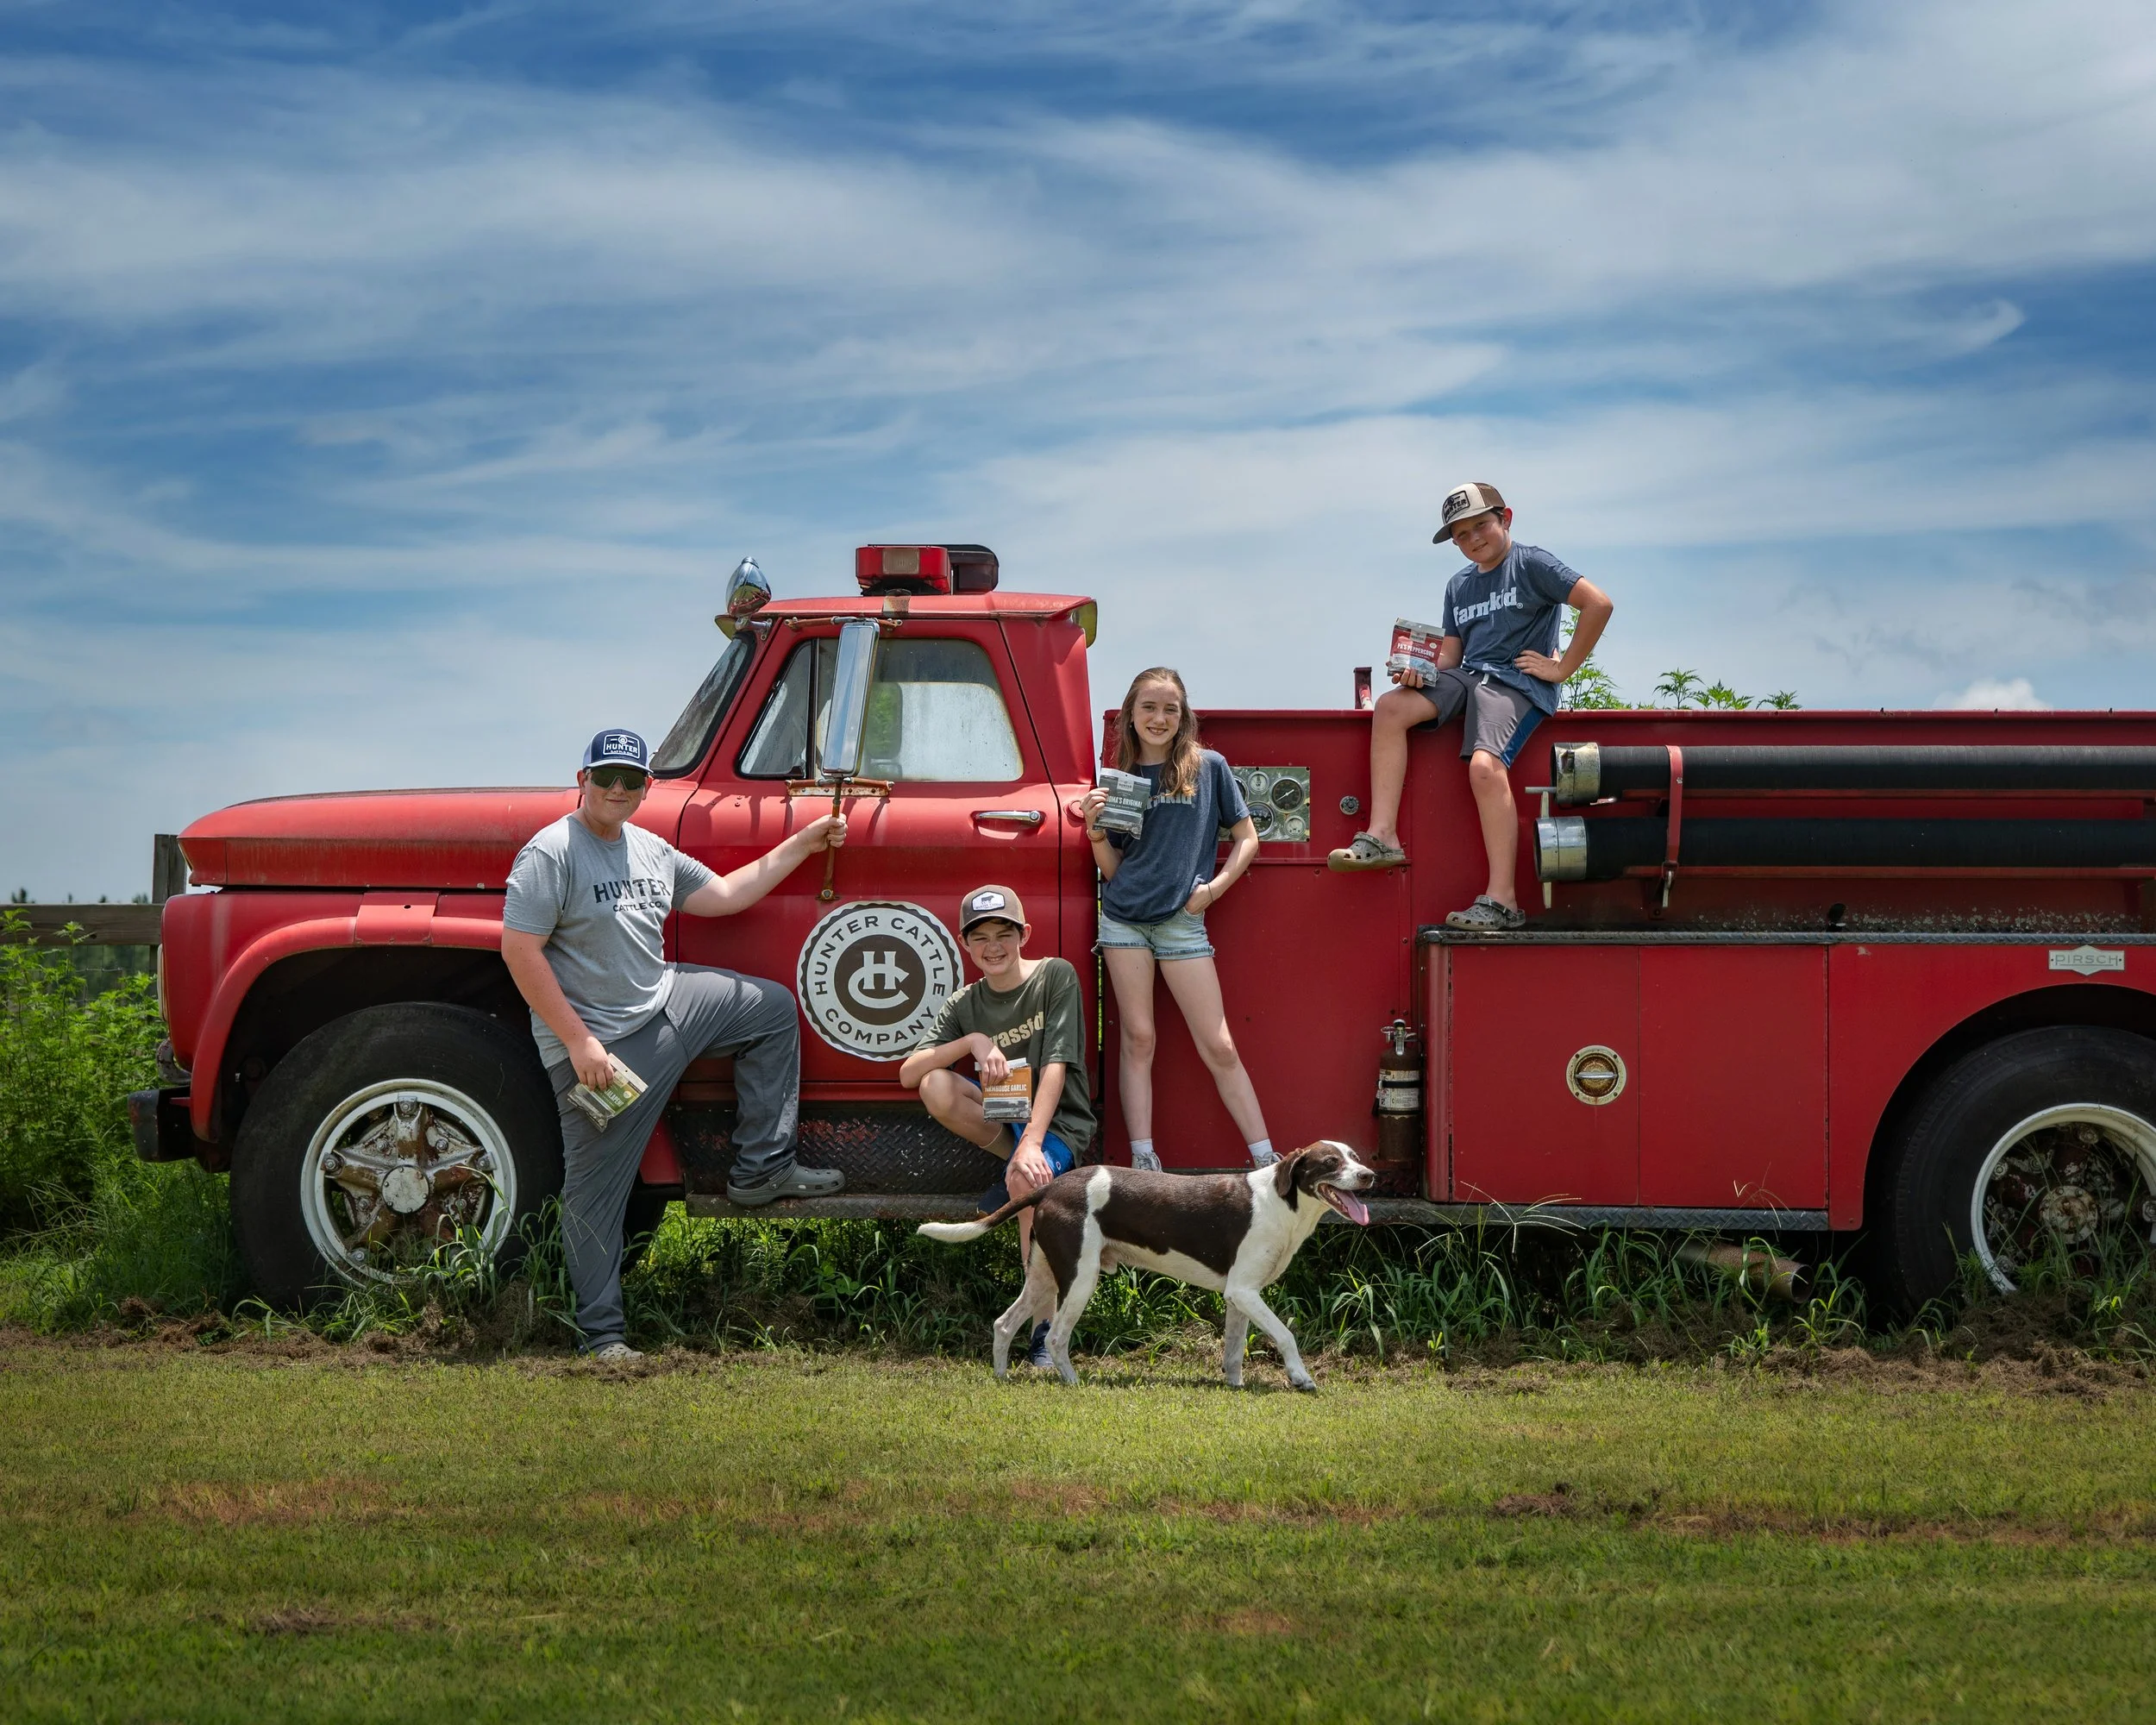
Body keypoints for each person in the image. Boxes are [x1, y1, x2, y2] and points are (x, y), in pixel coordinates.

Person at [500, 728, 849, 1362]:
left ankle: (760, 1170)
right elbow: (519, 951)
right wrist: (579, 1044)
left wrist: (805, 839)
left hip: (666, 1004)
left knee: (771, 1009)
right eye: (604, 777)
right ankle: (602, 1336)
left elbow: (725, 895)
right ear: (581, 781)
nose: (616, 789)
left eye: (630, 781)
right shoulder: (551, 853)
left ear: (645, 788)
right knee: (596, 1194)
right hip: (600, 1049)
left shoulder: (650, 850)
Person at [1329, 481, 1614, 929]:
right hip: (1468, 675)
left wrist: (1562, 670)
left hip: (1515, 682)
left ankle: (1503, 901)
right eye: (1461, 535)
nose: (1473, 539)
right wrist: (1417, 672)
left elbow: (1598, 604)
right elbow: (1452, 659)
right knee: (1390, 707)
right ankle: (1383, 836)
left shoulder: (1532, 563)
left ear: (1506, 519)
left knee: (1484, 767)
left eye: (1481, 525)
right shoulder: (1458, 585)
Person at [1076, 668, 1275, 1174]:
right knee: (1139, 1038)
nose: (1159, 718)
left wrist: (1210, 892)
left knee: (1220, 1044)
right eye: (1149, 707)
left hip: (1182, 923)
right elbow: (1116, 872)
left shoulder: (1208, 767)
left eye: (1170, 709)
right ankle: (1144, 1161)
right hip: (1123, 923)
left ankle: (1267, 1160)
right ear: (1130, 714)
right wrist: (1095, 832)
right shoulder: (1118, 781)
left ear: (1183, 716)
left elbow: (1247, 838)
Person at [899, 884, 1095, 1369]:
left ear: (1024, 933)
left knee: (1025, 1178)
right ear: (964, 944)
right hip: (1008, 1122)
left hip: (1060, 1123)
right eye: (980, 936)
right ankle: (1020, 1164)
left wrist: (1032, 1143)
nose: (993, 946)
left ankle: (1043, 1332)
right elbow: (908, 1073)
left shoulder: (1055, 976)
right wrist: (973, 1041)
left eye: (1004, 933)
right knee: (935, 1086)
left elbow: (1056, 1064)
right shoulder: (967, 1002)